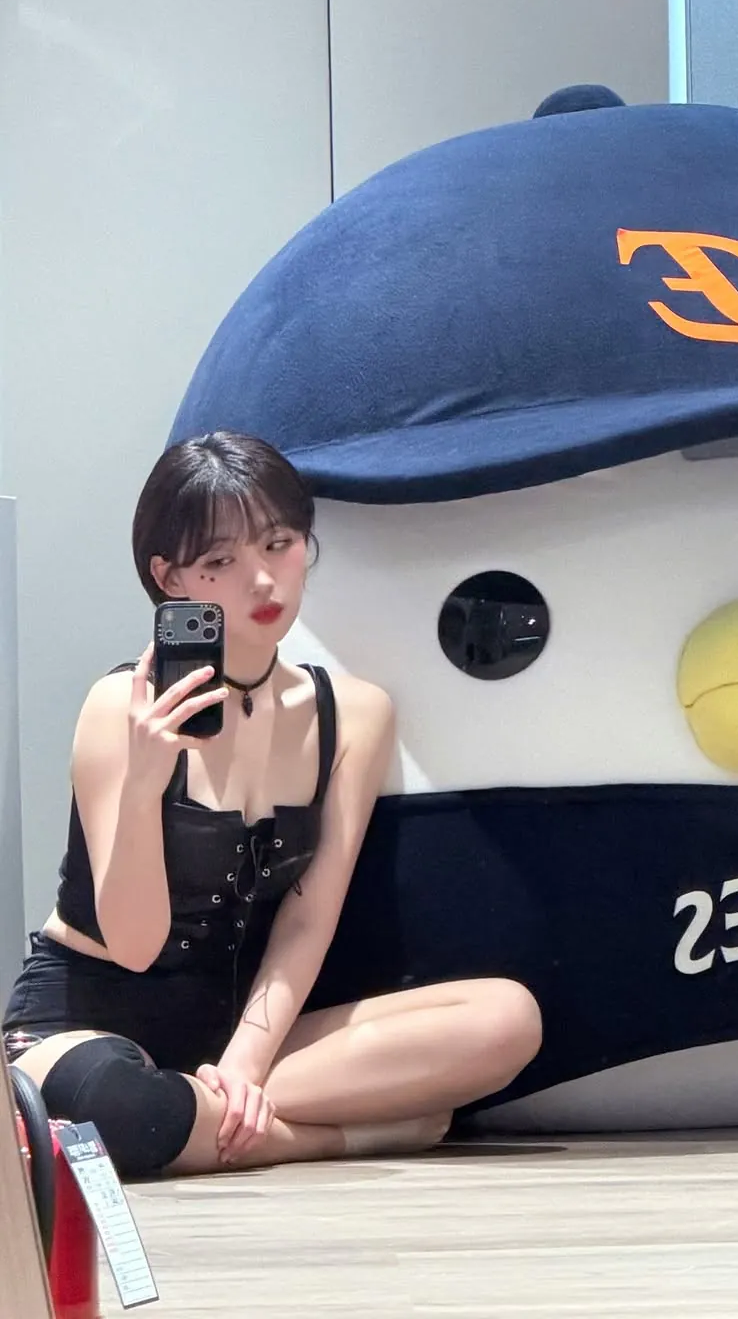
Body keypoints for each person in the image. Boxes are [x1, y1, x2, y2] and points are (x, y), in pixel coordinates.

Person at [2, 431, 542, 1179]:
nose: (262, 580)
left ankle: (207, 1113)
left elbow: (307, 920)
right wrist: (143, 782)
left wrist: (244, 1067)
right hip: (83, 1027)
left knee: (506, 1019)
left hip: (240, 1035)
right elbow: (133, 945)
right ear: (170, 578)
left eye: (279, 544)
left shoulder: (355, 715)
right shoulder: (118, 708)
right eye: (219, 561)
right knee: (118, 1106)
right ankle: (334, 1134)